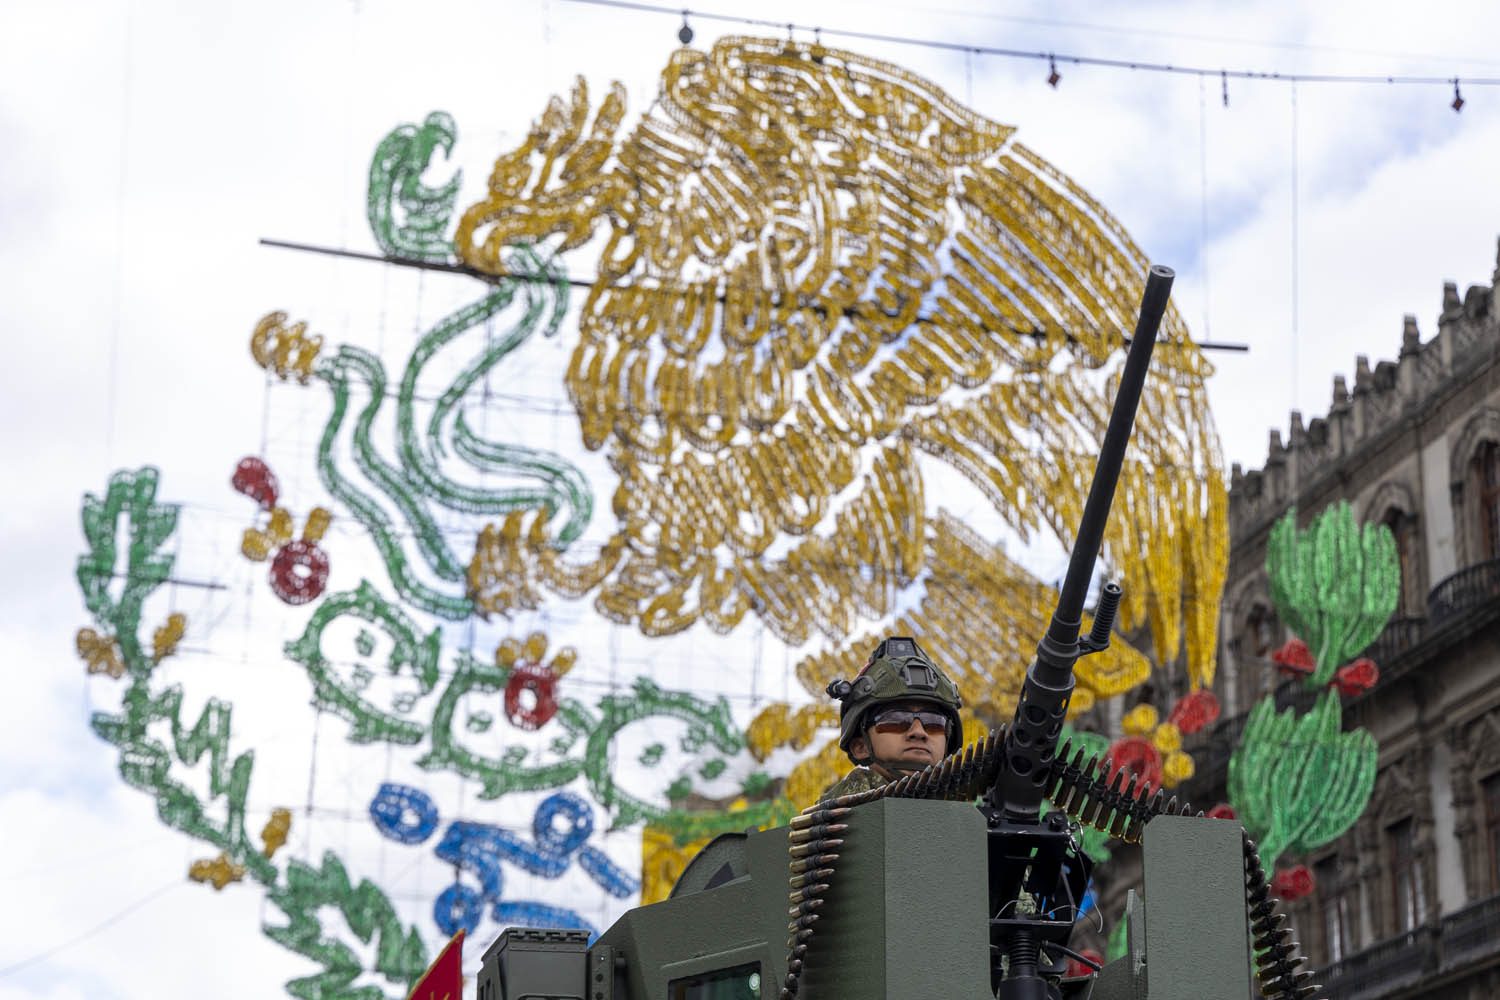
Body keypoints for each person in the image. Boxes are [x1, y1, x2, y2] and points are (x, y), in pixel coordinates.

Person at [818, 636, 964, 802]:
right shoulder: (838, 812)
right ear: (861, 747)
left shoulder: (966, 812)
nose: (919, 732)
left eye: (934, 723)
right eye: (896, 720)